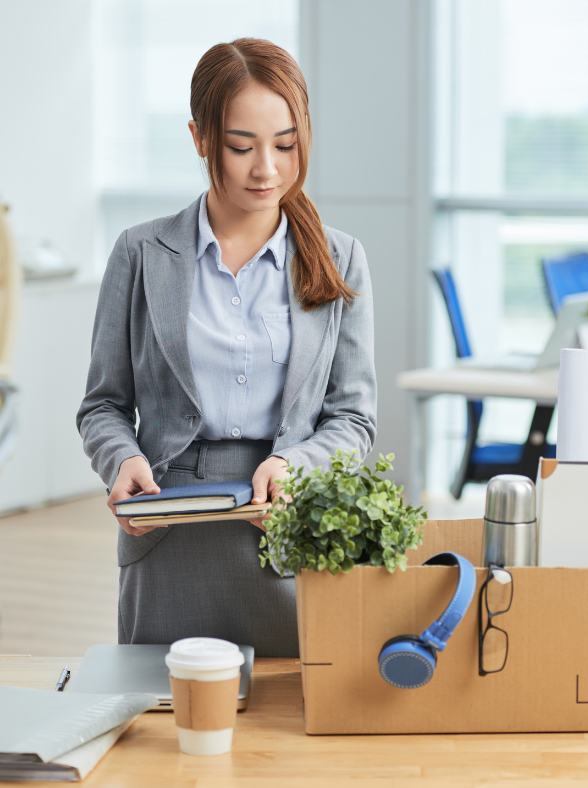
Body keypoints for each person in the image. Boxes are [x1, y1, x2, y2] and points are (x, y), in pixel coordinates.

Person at [76, 39, 376, 658]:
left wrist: (297, 466)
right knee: (159, 730)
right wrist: (120, 461)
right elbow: (102, 406)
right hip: (166, 533)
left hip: (286, 537)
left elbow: (354, 420)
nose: (267, 168)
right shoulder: (139, 254)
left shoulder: (341, 259)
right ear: (200, 137)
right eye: (242, 146)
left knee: (287, 734)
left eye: (285, 144)